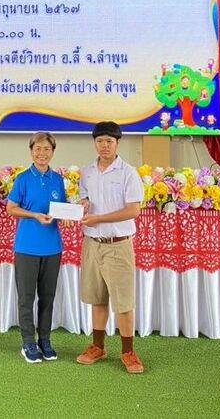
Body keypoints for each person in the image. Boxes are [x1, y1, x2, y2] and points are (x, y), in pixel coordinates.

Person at [75, 121, 145, 374]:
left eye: (109, 141)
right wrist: (83, 206)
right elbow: (85, 200)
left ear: (117, 143)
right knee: (97, 298)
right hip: (92, 243)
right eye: (100, 141)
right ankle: (98, 346)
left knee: (123, 302)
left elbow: (133, 210)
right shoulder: (87, 172)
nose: (104, 146)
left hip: (118, 244)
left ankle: (128, 352)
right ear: (94, 143)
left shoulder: (128, 173)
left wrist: (99, 219)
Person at [6, 132, 68, 363]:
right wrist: (34, 215)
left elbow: (60, 208)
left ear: (53, 152)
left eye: (47, 149)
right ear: (31, 151)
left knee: (48, 297)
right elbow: (11, 208)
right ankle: (28, 343)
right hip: (27, 247)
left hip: (52, 247)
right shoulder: (23, 179)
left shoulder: (57, 180)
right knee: (26, 298)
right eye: (38, 149)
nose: (42, 153)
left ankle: (45, 340)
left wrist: (67, 217)